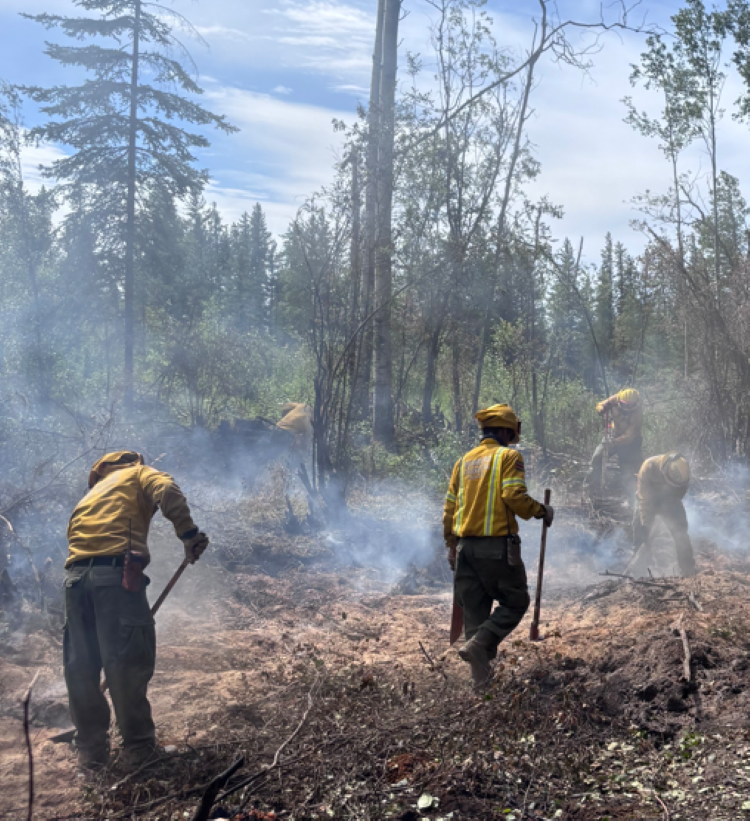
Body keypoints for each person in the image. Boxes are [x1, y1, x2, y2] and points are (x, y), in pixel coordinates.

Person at [63, 451, 209, 770]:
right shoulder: (138, 474)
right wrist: (189, 535)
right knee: (127, 661)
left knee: (82, 665)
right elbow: (168, 491)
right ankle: (140, 753)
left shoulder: (90, 497)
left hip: (75, 581)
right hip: (116, 579)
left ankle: (90, 751)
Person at [443, 404, 554, 685]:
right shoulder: (509, 456)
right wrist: (541, 511)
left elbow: (449, 510)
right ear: (507, 431)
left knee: (474, 616)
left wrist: (451, 545)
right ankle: (481, 644)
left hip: (465, 550)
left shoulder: (463, 462)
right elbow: (513, 496)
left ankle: (482, 690)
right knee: (516, 600)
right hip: (496, 549)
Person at [625, 452, 695, 577]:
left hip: (670, 500)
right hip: (647, 499)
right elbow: (645, 502)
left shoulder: (683, 468)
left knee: (681, 534)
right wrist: (646, 527)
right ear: (664, 471)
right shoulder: (648, 467)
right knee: (641, 534)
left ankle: (688, 569)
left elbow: (680, 493)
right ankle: (639, 572)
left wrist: (668, 505)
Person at [586, 388, 644, 499]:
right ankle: (593, 491)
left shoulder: (637, 415)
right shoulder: (616, 398)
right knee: (597, 458)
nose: (627, 408)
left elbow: (628, 437)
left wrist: (612, 443)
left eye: (630, 405)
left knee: (628, 473)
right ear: (620, 401)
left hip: (630, 444)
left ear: (636, 404)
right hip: (613, 435)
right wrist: (601, 409)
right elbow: (601, 404)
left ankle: (633, 502)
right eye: (624, 405)